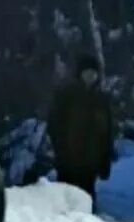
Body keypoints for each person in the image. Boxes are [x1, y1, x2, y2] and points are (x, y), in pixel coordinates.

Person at [48, 55, 116, 209]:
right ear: (80, 73)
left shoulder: (101, 100)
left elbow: (107, 132)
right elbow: (54, 125)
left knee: (87, 204)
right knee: (66, 205)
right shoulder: (67, 96)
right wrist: (60, 150)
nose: (91, 76)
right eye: (87, 72)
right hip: (68, 162)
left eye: (94, 73)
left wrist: (105, 160)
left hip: (91, 163)